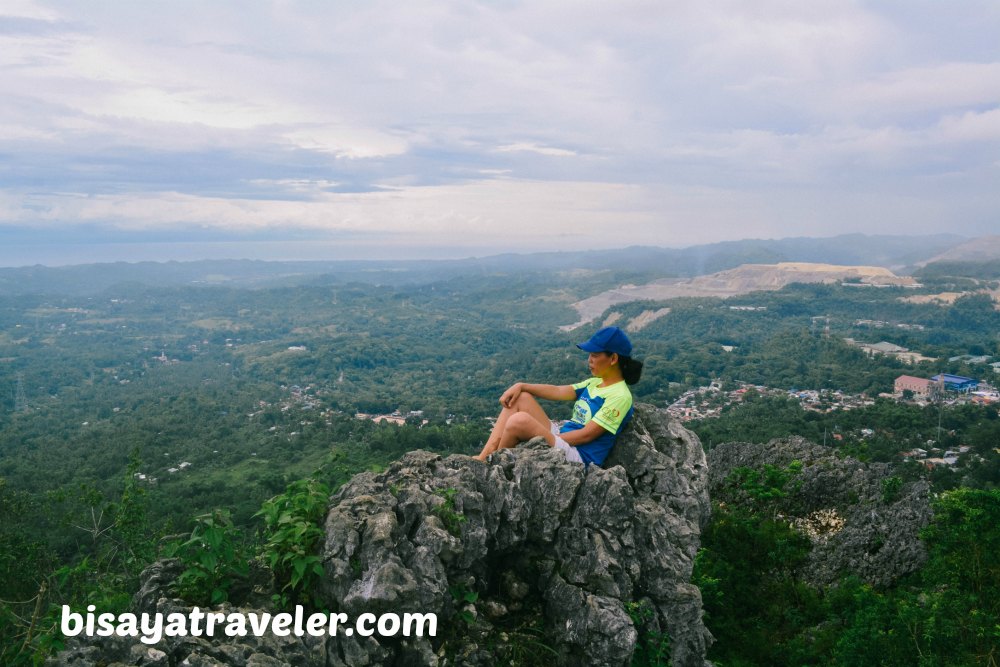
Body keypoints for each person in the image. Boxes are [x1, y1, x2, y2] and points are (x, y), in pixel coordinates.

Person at [474, 326, 643, 467]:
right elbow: (558, 391)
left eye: (595, 355)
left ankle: (495, 467)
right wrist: (521, 386)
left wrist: (542, 440)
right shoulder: (595, 383)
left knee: (519, 421)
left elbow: (587, 435)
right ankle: (484, 458)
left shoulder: (620, 396)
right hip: (564, 437)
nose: (589, 360)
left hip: (578, 455)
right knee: (521, 398)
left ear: (613, 358)